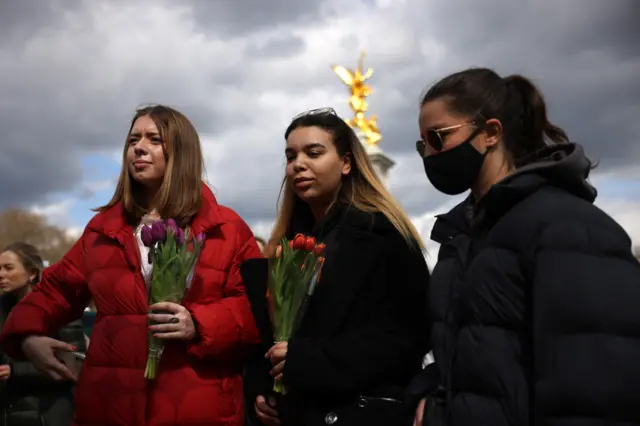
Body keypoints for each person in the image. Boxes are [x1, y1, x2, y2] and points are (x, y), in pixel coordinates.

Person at [0, 105, 262, 426]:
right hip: (110, 407)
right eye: (133, 139)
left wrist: (200, 323)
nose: (139, 147)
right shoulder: (102, 230)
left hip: (198, 406)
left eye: (154, 139)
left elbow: (257, 311)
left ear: (182, 152)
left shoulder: (227, 228)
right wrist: (27, 335)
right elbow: (55, 290)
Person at [411, 68, 640, 426]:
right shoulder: (460, 236)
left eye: (437, 138)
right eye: (421, 143)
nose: (428, 153)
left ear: (490, 133)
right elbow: (465, 353)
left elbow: (596, 386)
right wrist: (430, 398)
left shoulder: (567, 227)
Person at [245, 108, 431, 426]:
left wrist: (307, 362)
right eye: (290, 156)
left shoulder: (384, 235)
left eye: (313, 153)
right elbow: (267, 339)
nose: (298, 164)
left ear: (346, 162)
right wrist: (263, 391)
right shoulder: (288, 244)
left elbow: (406, 338)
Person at [0, 242, 84, 426]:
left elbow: (74, 363)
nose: (1, 275)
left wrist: (14, 372)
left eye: (8, 268)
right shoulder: (2, 310)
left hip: (50, 414)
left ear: (31, 274)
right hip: (9, 413)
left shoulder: (60, 308)